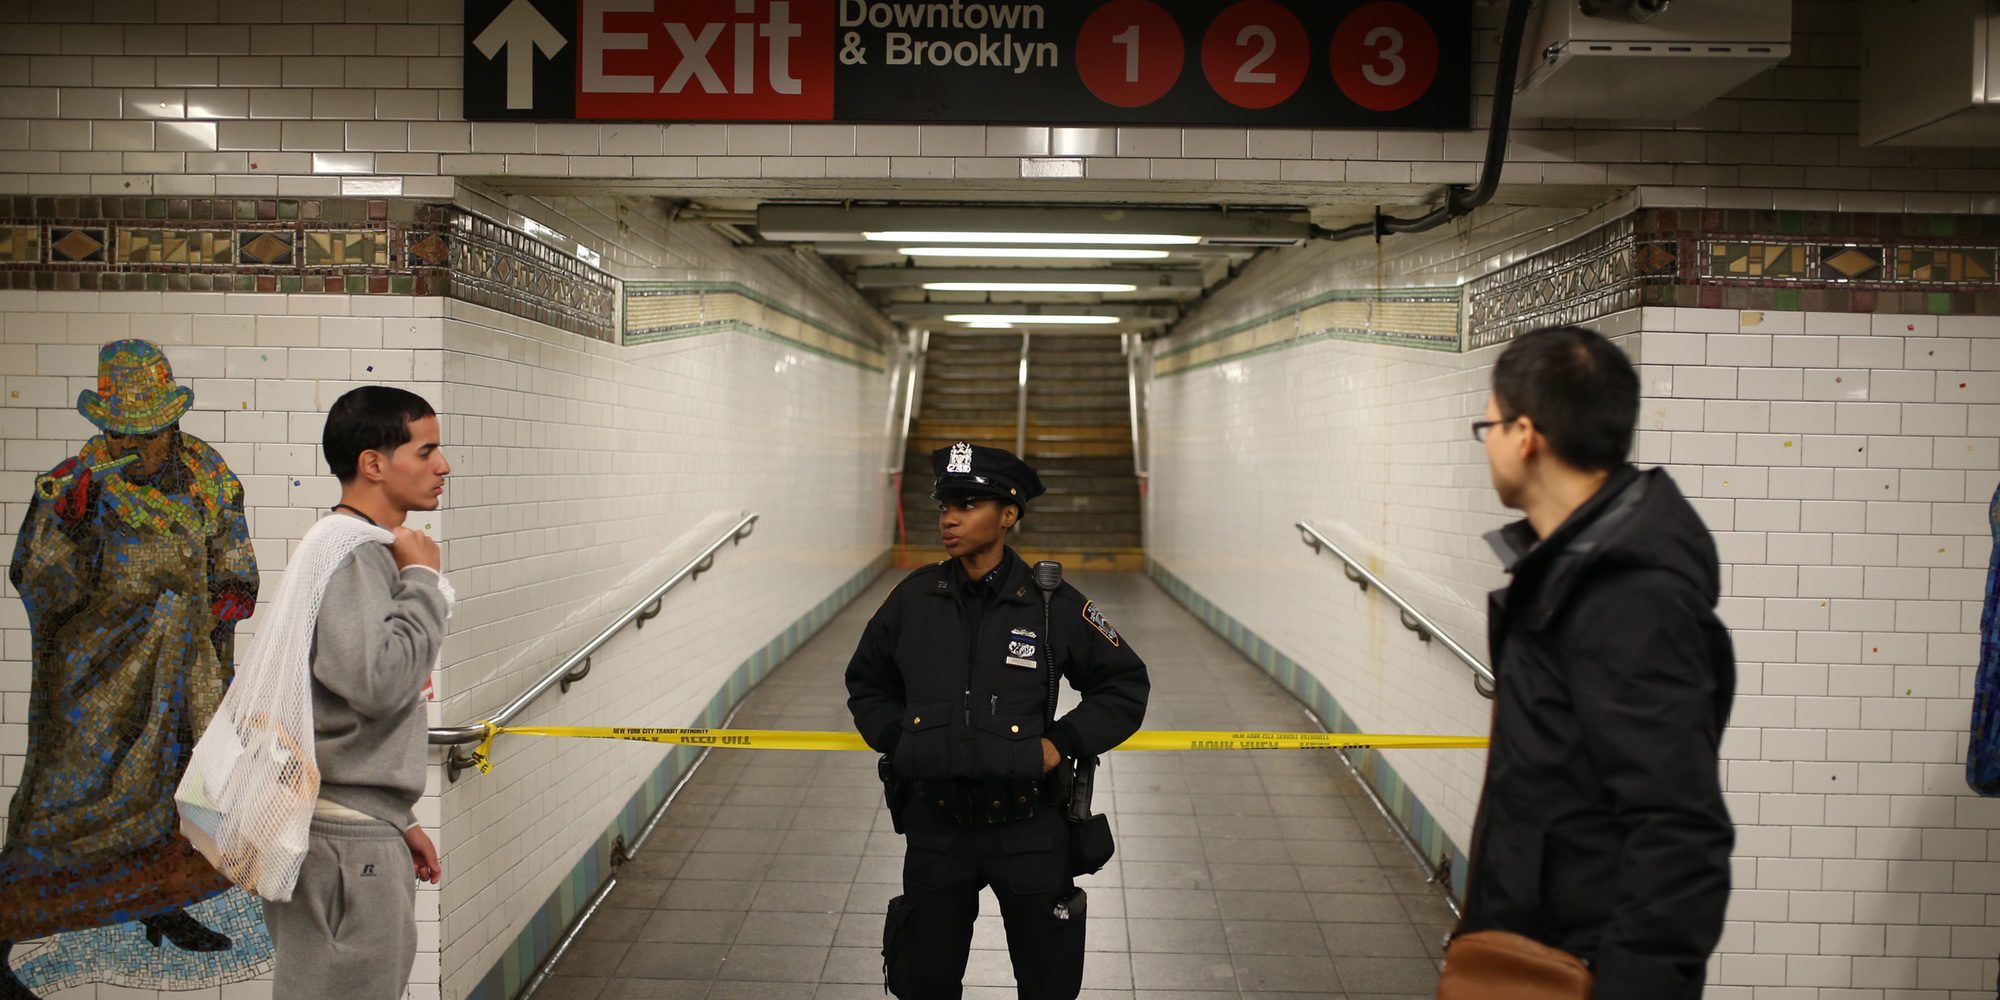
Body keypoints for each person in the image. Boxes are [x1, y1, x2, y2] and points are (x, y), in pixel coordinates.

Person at [1456, 326, 1736, 999]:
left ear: (1525, 435)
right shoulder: (1570, 572)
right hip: (1531, 949)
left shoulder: (1631, 598)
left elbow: (1679, 830)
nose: (1487, 442)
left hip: (1580, 967)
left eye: (1487, 424)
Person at [846, 441, 1150, 1000]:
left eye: (966, 504)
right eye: (944, 506)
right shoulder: (914, 599)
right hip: (937, 828)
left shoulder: (1052, 604)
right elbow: (867, 682)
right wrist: (903, 741)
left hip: (1029, 827)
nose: (949, 518)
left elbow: (1125, 684)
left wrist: (1060, 744)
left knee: (1047, 983)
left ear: (1008, 515)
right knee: (924, 981)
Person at [2, 340, 259, 999]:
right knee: (70, 810)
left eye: (150, 431)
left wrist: (232, 587)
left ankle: (160, 904)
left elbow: (230, 543)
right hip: (102, 680)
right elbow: (36, 577)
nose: (137, 445)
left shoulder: (206, 471)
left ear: (171, 424)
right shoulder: (77, 483)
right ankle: (5, 933)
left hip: (186, 670)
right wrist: (68, 519)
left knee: (183, 800)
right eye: (124, 432)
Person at [261, 386, 452, 1000]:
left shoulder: (339, 546)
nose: (442, 467)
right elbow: (376, 682)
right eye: (426, 452)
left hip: (350, 824)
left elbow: (340, 698)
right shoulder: (353, 553)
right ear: (374, 463)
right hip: (342, 843)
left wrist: (399, 818)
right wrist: (423, 580)